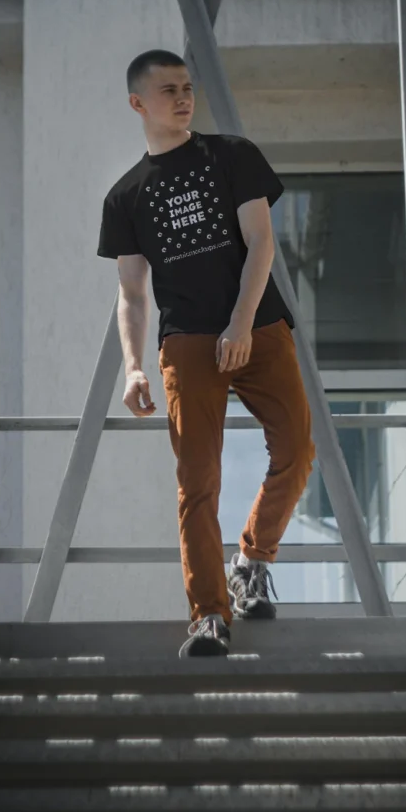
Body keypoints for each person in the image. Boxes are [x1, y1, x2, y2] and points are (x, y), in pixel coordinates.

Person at [97, 49, 315, 658]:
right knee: (198, 480)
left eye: (187, 87)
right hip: (187, 340)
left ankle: (252, 559)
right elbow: (132, 293)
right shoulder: (126, 198)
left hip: (260, 326)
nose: (184, 97)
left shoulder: (233, 156)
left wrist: (242, 323)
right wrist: (134, 365)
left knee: (297, 449)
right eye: (168, 90)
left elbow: (261, 243)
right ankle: (210, 616)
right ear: (138, 103)